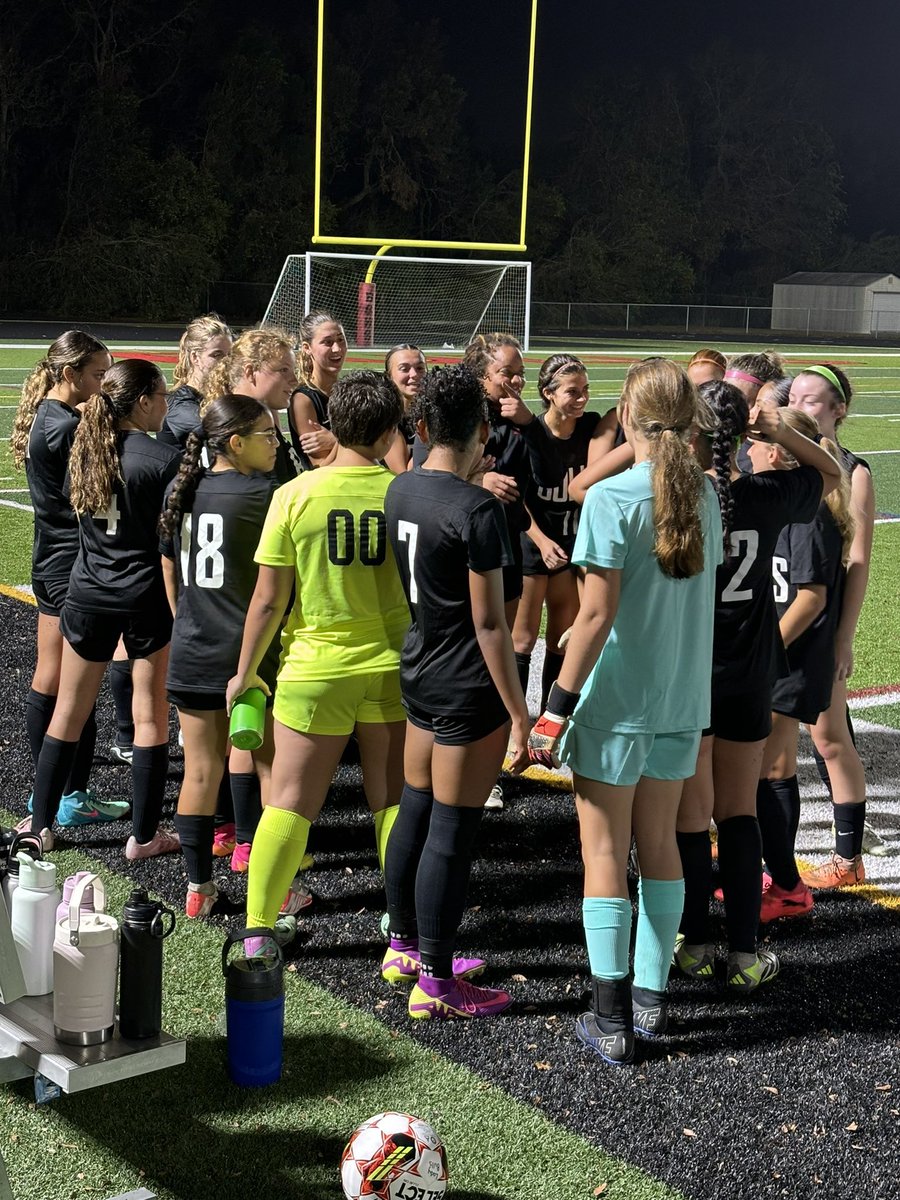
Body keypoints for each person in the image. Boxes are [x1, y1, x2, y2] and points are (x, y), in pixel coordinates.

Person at [528, 358, 723, 1065]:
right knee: (664, 847)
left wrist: (553, 712)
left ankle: (611, 1018)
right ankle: (652, 1000)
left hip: (616, 705)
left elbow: (594, 618)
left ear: (626, 419)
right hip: (680, 703)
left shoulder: (613, 499)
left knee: (605, 854)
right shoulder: (703, 494)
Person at [227, 371, 410, 947]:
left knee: (288, 804)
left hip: (313, 670)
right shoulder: (403, 494)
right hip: (391, 667)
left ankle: (257, 935)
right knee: (394, 802)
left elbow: (267, 599)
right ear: (388, 434)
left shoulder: (294, 494)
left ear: (334, 427)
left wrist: (245, 670)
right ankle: (404, 931)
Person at [675, 382, 840, 990]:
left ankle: (693, 944)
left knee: (690, 817)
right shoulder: (765, 495)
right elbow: (830, 472)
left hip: (688, 671)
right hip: (748, 673)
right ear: (744, 435)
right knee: (738, 813)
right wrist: (780, 432)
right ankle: (743, 954)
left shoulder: (677, 497)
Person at [383, 363, 531, 1020]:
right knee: (450, 827)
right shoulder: (477, 509)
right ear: (482, 428)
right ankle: (437, 982)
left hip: (419, 666)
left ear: (420, 427)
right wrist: (521, 714)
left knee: (416, 810)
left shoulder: (401, 489)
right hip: (467, 682)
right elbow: (491, 622)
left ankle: (404, 946)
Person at [23, 360, 181, 858]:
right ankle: (143, 836)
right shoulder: (163, 459)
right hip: (144, 595)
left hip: (87, 592)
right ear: (141, 401)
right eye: (161, 394)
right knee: (151, 716)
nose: (166, 403)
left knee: (67, 711)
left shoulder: (86, 452)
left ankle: (40, 825)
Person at [160, 395, 285, 918]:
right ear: (235, 442)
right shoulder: (265, 495)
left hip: (191, 649)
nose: (276, 444)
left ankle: (198, 889)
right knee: (272, 770)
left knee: (200, 771)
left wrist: (188, 619)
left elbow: (169, 569)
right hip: (247, 657)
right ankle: (273, 896)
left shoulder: (184, 487)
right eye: (267, 435)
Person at [10, 332, 130, 827]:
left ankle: (52, 795)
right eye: (98, 375)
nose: (104, 384)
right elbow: (91, 495)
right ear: (70, 374)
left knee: (53, 678)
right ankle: (66, 796)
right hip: (68, 566)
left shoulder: (51, 415)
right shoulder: (64, 427)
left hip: (49, 561)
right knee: (72, 690)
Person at [750, 408, 855, 918]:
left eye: (754, 443)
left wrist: (765, 653)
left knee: (772, 767)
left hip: (788, 660)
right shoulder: (785, 503)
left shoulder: (809, 513)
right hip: (780, 655)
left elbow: (810, 598)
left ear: (776, 451)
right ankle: (780, 878)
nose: (746, 453)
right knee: (771, 767)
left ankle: (788, 887)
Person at [787, 365, 882, 875]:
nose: (799, 406)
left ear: (838, 409)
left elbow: (858, 560)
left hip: (822, 620)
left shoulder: (853, 471)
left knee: (827, 735)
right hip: (780, 611)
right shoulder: (778, 460)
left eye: (812, 401)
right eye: (793, 397)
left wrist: (844, 639)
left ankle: (848, 858)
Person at [511, 354, 616, 712]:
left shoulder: (590, 427)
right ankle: (514, 723)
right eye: (573, 391)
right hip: (534, 543)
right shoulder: (530, 434)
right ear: (548, 393)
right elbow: (517, 498)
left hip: (571, 544)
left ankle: (547, 719)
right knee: (523, 638)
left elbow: (621, 412)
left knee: (561, 637)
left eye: (585, 390)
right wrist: (541, 541)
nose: (583, 398)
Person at [457, 333, 533, 809]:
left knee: (497, 647)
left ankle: (490, 766)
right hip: (464, 550)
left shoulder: (515, 419)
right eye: (507, 371)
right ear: (482, 372)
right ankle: (461, 764)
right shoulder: (460, 411)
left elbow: (542, 480)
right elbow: (426, 468)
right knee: (470, 648)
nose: (515, 378)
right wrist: (476, 478)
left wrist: (530, 423)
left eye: (519, 370)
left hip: (504, 546)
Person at [204, 327, 301, 485]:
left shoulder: (256, 421)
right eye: (283, 370)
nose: (294, 380)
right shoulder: (244, 434)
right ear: (249, 372)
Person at [158, 313, 233, 448]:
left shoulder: (219, 395)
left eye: (230, 355)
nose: (226, 362)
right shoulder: (180, 403)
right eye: (217, 355)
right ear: (195, 357)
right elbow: (220, 434)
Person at [287, 311, 347, 471]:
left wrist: (335, 441)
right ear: (307, 348)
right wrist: (345, 442)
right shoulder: (303, 399)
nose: (337, 349)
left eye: (341, 340)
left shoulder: (348, 391)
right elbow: (320, 466)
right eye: (327, 342)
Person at [384, 343, 427, 472]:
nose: (414, 374)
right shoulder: (385, 419)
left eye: (420, 368)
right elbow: (403, 476)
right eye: (404, 368)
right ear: (389, 376)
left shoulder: (433, 413)